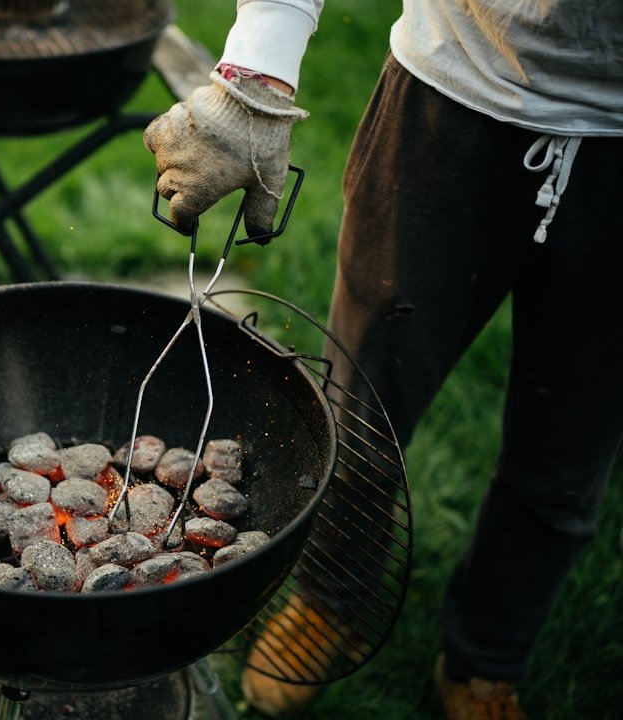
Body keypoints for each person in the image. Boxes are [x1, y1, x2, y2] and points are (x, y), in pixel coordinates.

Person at [144, 1, 623, 718]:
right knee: (365, 408)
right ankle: (329, 596)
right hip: (454, 93)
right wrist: (257, 71)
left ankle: (487, 660)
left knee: (570, 457)